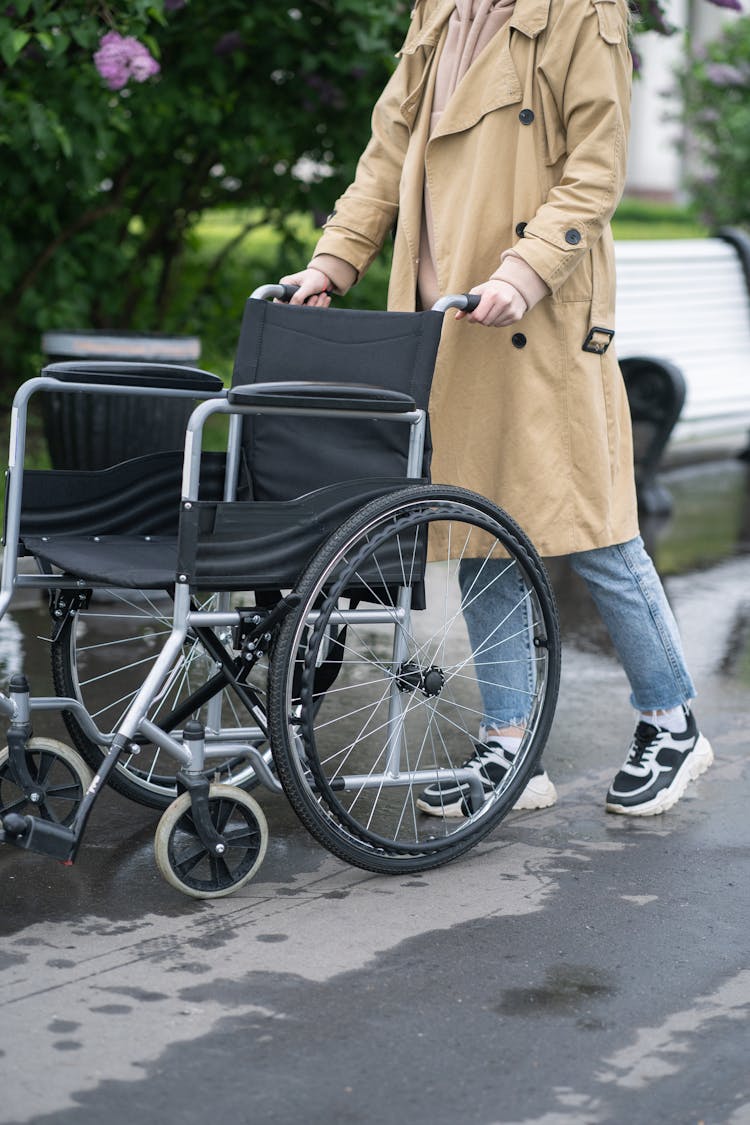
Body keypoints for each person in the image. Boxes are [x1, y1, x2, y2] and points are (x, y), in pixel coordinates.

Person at [280, 0, 713, 817]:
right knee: (475, 528)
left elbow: (596, 166)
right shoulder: (438, 11)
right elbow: (390, 147)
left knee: (596, 528)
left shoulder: (584, 11)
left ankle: (672, 722)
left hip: (536, 312)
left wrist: (525, 272)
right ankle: (511, 746)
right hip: (450, 318)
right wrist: (335, 259)